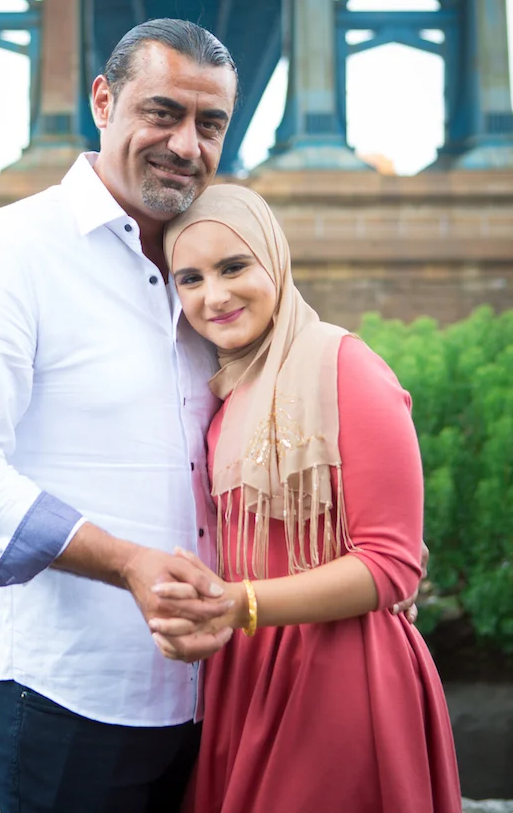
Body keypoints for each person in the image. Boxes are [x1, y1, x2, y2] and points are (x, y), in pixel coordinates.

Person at [0, 19, 421, 813]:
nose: (185, 144)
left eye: (209, 123)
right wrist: (126, 563)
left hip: (224, 694)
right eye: (162, 112)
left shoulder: (207, 281)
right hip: (73, 692)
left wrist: (360, 567)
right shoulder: (7, 253)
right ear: (103, 100)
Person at [149, 183, 461, 813]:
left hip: (341, 671)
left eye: (234, 267)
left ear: (275, 261)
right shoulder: (224, 391)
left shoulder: (345, 365)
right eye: (191, 279)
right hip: (246, 671)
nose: (215, 296)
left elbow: (392, 565)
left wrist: (237, 605)